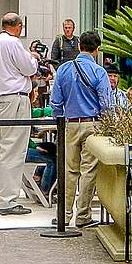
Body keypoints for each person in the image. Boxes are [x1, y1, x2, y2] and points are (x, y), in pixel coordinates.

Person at [49, 29, 113, 229]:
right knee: (89, 171)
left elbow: (55, 102)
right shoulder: (99, 72)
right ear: (97, 50)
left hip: (70, 123)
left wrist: (59, 119)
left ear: (78, 46)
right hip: (93, 123)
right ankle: (83, 215)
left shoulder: (64, 69)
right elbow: (107, 103)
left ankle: (64, 213)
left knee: (69, 170)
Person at [0, 12, 38, 215]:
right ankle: (7, 200)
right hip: (13, 98)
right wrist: (33, 58)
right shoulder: (13, 43)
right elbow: (28, 67)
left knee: (1, 147)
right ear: (19, 26)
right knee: (13, 149)